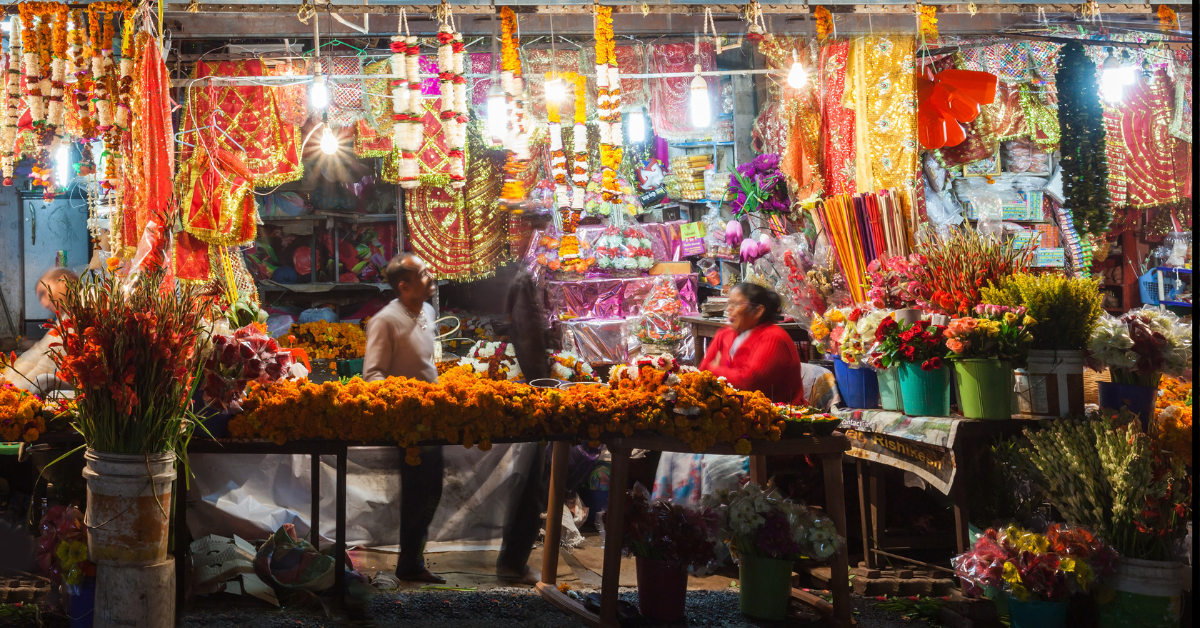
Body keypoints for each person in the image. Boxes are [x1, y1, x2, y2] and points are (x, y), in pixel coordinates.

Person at [363, 253, 444, 584]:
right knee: (417, 495)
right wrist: (403, 403)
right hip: (409, 425)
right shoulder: (385, 321)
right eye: (423, 274)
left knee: (432, 491)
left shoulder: (427, 311)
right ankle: (410, 564)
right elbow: (373, 375)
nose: (430, 276)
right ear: (404, 286)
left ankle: (412, 561)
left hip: (433, 419)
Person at [700, 282, 806, 405]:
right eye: (729, 303)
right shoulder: (724, 334)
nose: (728, 309)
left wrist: (714, 370)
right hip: (731, 407)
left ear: (757, 311)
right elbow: (702, 373)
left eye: (736, 304)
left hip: (776, 412)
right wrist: (714, 372)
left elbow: (748, 383)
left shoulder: (774, 338)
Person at [2, 267, 78, 393]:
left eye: (43, 293)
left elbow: (49, 363)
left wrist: (14, 389)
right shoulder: (65, 314)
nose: (44, 304)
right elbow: (39, 350)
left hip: (87, 388)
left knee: (42, 381)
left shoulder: (82, 308)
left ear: (64, 282)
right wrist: (7, 378)